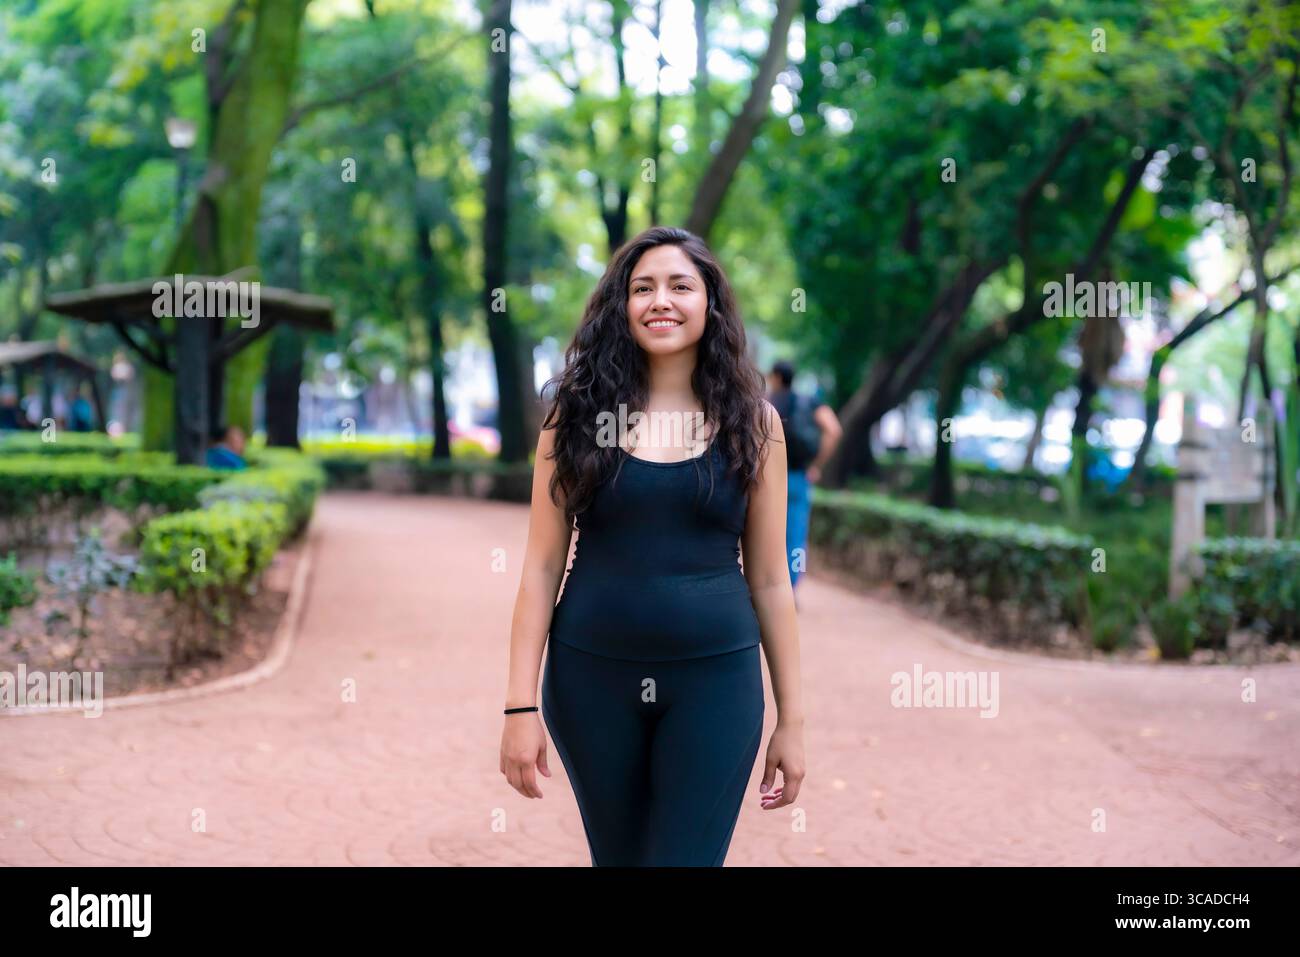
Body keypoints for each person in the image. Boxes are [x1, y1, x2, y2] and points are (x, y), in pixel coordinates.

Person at [500, 226, 806, 866]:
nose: (660, 300)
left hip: (716, 683)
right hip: (591, 679)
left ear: (710, 304)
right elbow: (540, 567)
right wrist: (519, 706)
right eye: (642, 288)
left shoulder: (756, 424)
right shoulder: (575, 417)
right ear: (622, 306)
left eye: (680, 286)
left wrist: (794, 719)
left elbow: (773, 579)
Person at [766, 361, 842, 602]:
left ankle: (768, 589)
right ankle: (791, 588)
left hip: (769, 478)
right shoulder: (808, 402)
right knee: (796, 538)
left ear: (776, 377)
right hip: (799, 477)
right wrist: (816, 465)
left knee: (765, 534)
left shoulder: (766, 402)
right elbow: (833, 429)